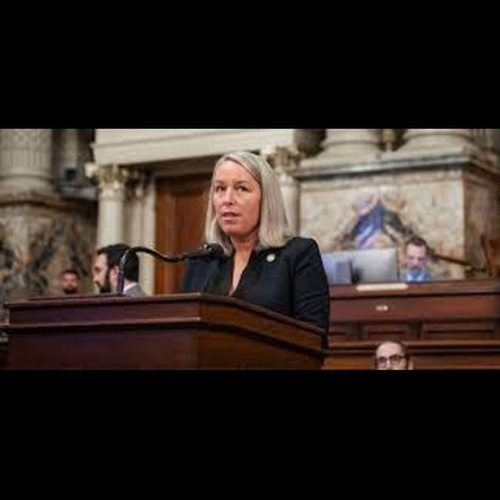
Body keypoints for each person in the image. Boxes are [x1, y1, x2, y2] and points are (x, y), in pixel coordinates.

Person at [180, 151, 330, 334]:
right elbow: (184, 331)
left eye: (241, 189)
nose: (227, 200)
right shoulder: (201, 261)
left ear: (266, 200)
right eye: (220, 189)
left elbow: (314, 337)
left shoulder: (298, 254)